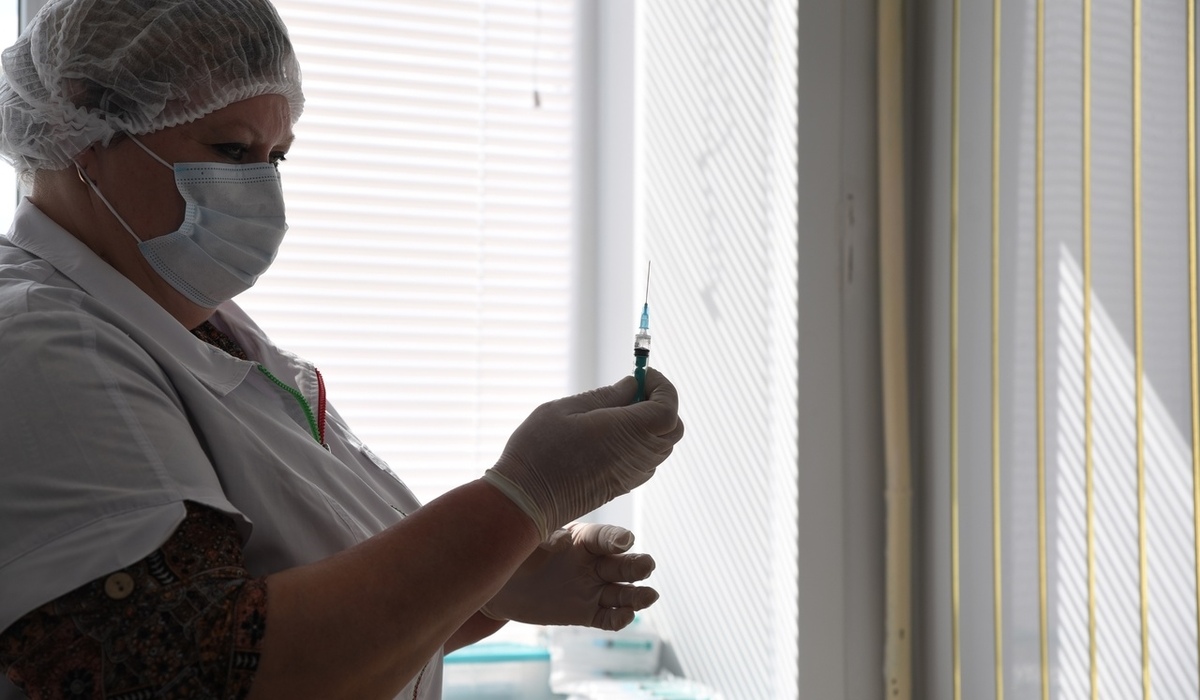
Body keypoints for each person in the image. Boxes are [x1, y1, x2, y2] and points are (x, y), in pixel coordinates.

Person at [0, 0, 685, 698]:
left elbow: (335, 629)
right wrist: (521, 499)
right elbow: (214, 672)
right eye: (232, 150)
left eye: (277, 157)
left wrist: (497, 582)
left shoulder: (192, 324)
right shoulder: (40, 349)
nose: (264, 192)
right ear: (85, 131)